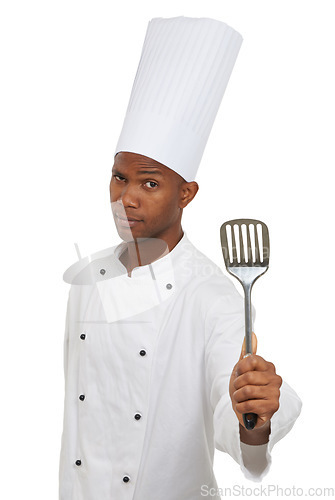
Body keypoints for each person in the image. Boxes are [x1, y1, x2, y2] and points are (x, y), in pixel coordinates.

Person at [59, 16, 302, 500]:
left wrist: (254, 415)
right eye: (119, 177)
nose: (127, 197)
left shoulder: (212, 295)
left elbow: (234, 416)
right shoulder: (90, 279)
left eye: (149, 183)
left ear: (186, 192)